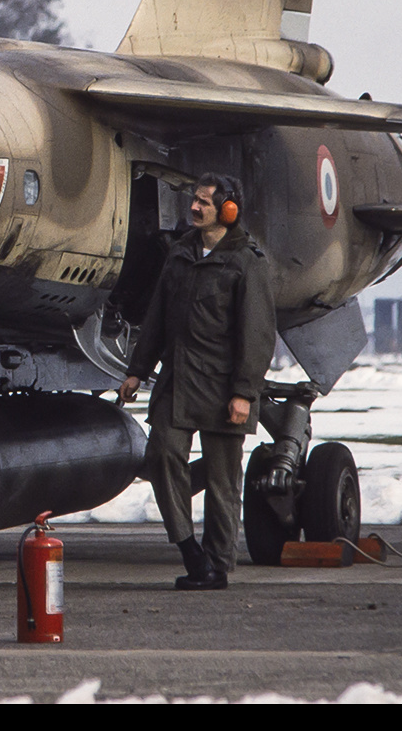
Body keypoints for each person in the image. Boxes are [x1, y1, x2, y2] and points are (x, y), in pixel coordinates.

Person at [117, 173, 276, 590]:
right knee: (162, 457)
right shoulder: (180, 254)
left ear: (227, 210)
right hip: (177, 381)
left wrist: (245, 392)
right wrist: (136, 369)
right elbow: (157, 318)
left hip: (224, 387)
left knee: (223, 482)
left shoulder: (246, 261)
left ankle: (217, 566)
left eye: (204, 202)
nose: (194, 207)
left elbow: (258, 334)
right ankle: (191, 552)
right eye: (194, 200)